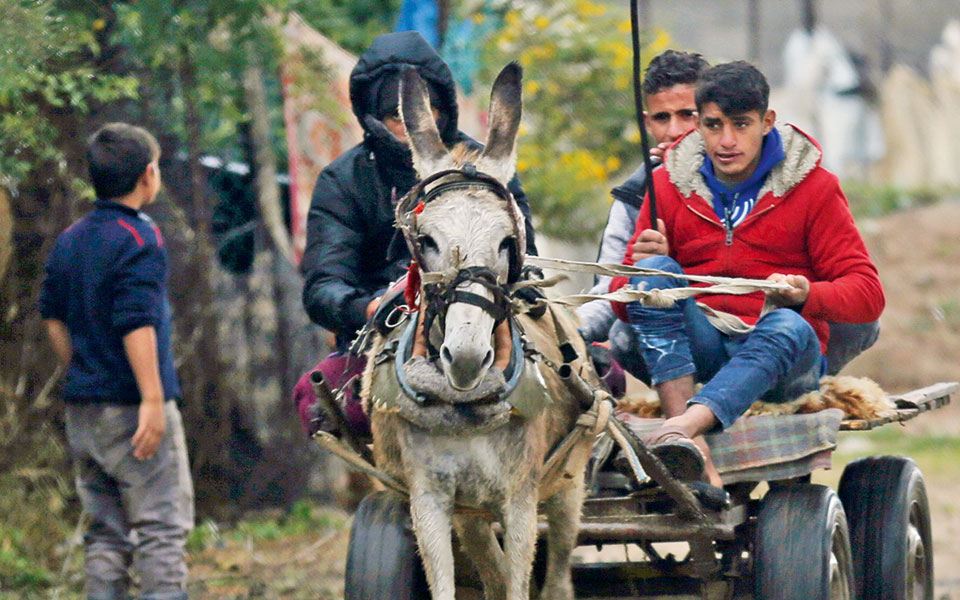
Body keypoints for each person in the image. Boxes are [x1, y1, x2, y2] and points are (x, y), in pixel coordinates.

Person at [608, 62, 885, 486]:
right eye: (715, 126)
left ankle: (681, 428)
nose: (727, 141)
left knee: (788, 325)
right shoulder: (664, 186)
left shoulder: (815, 188)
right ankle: (694, 446)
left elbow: (867, 294)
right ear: (699, 124)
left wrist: (806, 294)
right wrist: (642, 268)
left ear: (767, 121)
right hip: (704, 351)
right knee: (651, 272)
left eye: (741, 125)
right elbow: (621, 304)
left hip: (784, 362)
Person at [294, 31, 538, 436]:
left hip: (488, 319)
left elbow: (525, 256)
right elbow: (323, 285)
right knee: (318, 399)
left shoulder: (486, 167)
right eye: (398, 117)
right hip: (380, 330)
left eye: (433, 114)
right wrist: (371, 307)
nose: (419, 127)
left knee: (597, 374)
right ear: (373, 117)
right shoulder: (343, 179)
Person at [39, 123, 193, 600]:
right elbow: (137, 322)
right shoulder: (138, 238)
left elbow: (53, 318)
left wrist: (81, 369)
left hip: (84, 412)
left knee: (106, 533)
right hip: (133, 411)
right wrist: (151, 397)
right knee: (162, 528)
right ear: (149, 176)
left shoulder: (70, 238)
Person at [576, 50, 708, 390]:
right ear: (648, 122)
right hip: (679, 335)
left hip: (754, 329)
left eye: (688, 115)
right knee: (622, 334)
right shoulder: (636, 195)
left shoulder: (748, 173)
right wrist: (566, 334)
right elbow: (609, 290)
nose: (674, 131)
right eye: (663, 118)